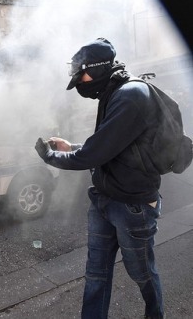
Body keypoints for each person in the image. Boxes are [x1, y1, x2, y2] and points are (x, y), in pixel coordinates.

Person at [35, 38, 164, 319]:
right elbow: (106, 144)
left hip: (133, 207)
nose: (80, 82)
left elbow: (93, 155)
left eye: (82, 75)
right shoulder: (111, 92)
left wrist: (50, 157)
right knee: (96, 275)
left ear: (99, 68)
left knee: (143, 275)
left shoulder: (130, 95)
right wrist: (72, 147)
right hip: (105, 201)